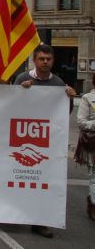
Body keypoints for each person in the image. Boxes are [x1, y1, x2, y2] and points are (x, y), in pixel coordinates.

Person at [14, 43, 76, 238]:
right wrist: (20, 91)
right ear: (34, 60)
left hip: (45, 141)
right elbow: (10, 106)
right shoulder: (23, 79)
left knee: (43, 182)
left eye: (48, 59)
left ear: (53, 61)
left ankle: (40, 221)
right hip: (22, 139)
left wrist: (69, 98)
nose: (45, 62)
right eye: (41, 59)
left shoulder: (58, 83)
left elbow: (65, 113)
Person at [76, 74, 95, 221]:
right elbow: (81, 122)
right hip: (93, 143)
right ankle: (93, 204)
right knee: (94, 176)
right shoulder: (87, 98)